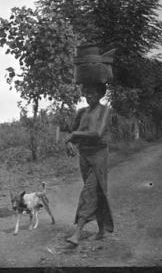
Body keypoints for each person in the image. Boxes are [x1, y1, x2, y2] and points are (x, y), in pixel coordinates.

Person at [64, 82, 114, 246]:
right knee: (96, 191)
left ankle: (77, 234)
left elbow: (98, 133)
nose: (89, 95)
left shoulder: (105, 111)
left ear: (100, 94)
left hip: (99, 155)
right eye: (86, 92)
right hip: (84, 156)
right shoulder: (81, 112)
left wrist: (74, 136)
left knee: (89, 191)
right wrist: (69, 143)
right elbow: (72, 133)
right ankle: (101, 231)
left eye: (92, 92)